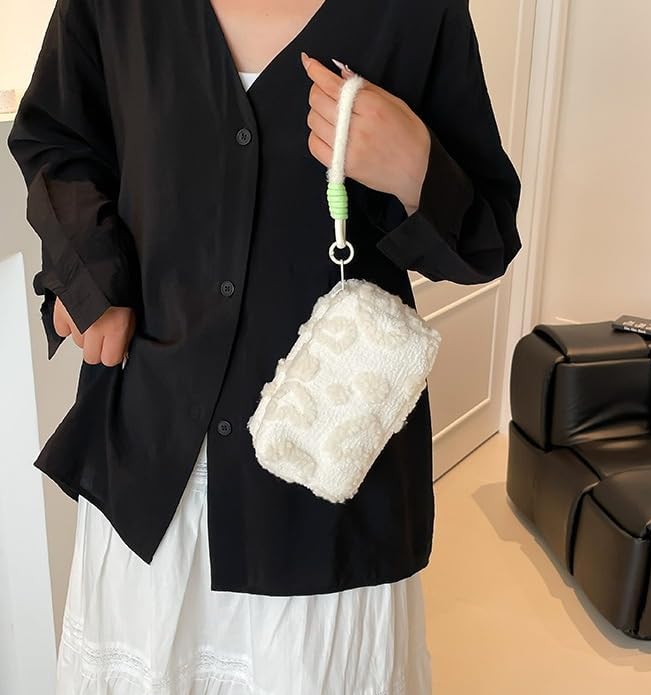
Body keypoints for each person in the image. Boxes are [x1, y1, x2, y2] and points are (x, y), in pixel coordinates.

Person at [7, 0, 522, 692]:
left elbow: (486, 238)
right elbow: (59, 139)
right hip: (153, 462)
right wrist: (89, 273)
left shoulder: (415, 12)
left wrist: (413, 167)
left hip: (322, 488)